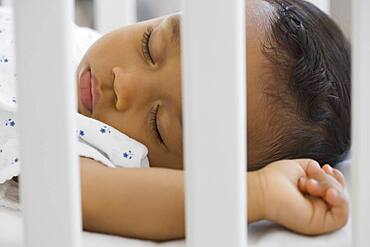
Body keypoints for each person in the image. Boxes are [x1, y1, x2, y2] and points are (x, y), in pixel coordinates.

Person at [77, 0, 350, 241]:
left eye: (158, 125)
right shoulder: (71, 38)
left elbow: (92, 194)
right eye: (150, 45)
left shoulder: (103, 154)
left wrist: (260, 192)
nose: (123, 84)